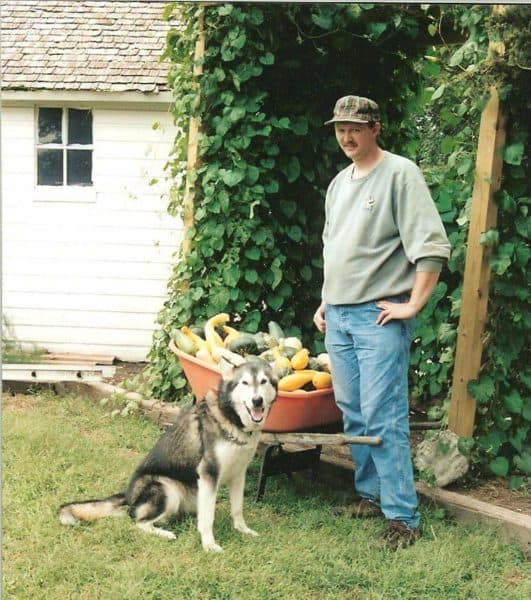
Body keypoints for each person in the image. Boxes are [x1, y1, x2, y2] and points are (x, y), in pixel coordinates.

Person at [314, 95, 451, 549]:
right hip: (338, 315)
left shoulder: (400, 174)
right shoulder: (339, 183)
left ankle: (402, 517)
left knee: (383, 415)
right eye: (340, 129)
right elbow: (334, 247)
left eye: (355, 128)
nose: (346, 137)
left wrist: (412, 304)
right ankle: (371, 496)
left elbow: (431, 246)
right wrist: (324, 300)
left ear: (376, 127)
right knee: (353, 412)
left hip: (378, 315)